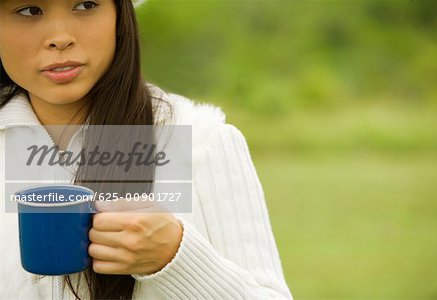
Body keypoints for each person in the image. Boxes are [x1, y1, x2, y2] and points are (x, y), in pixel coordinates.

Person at [0, 0, 293, 299]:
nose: (60, 37)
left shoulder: (201, 139)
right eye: (29, 10)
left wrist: (175, 257)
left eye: (86, 5)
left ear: (120, 16)